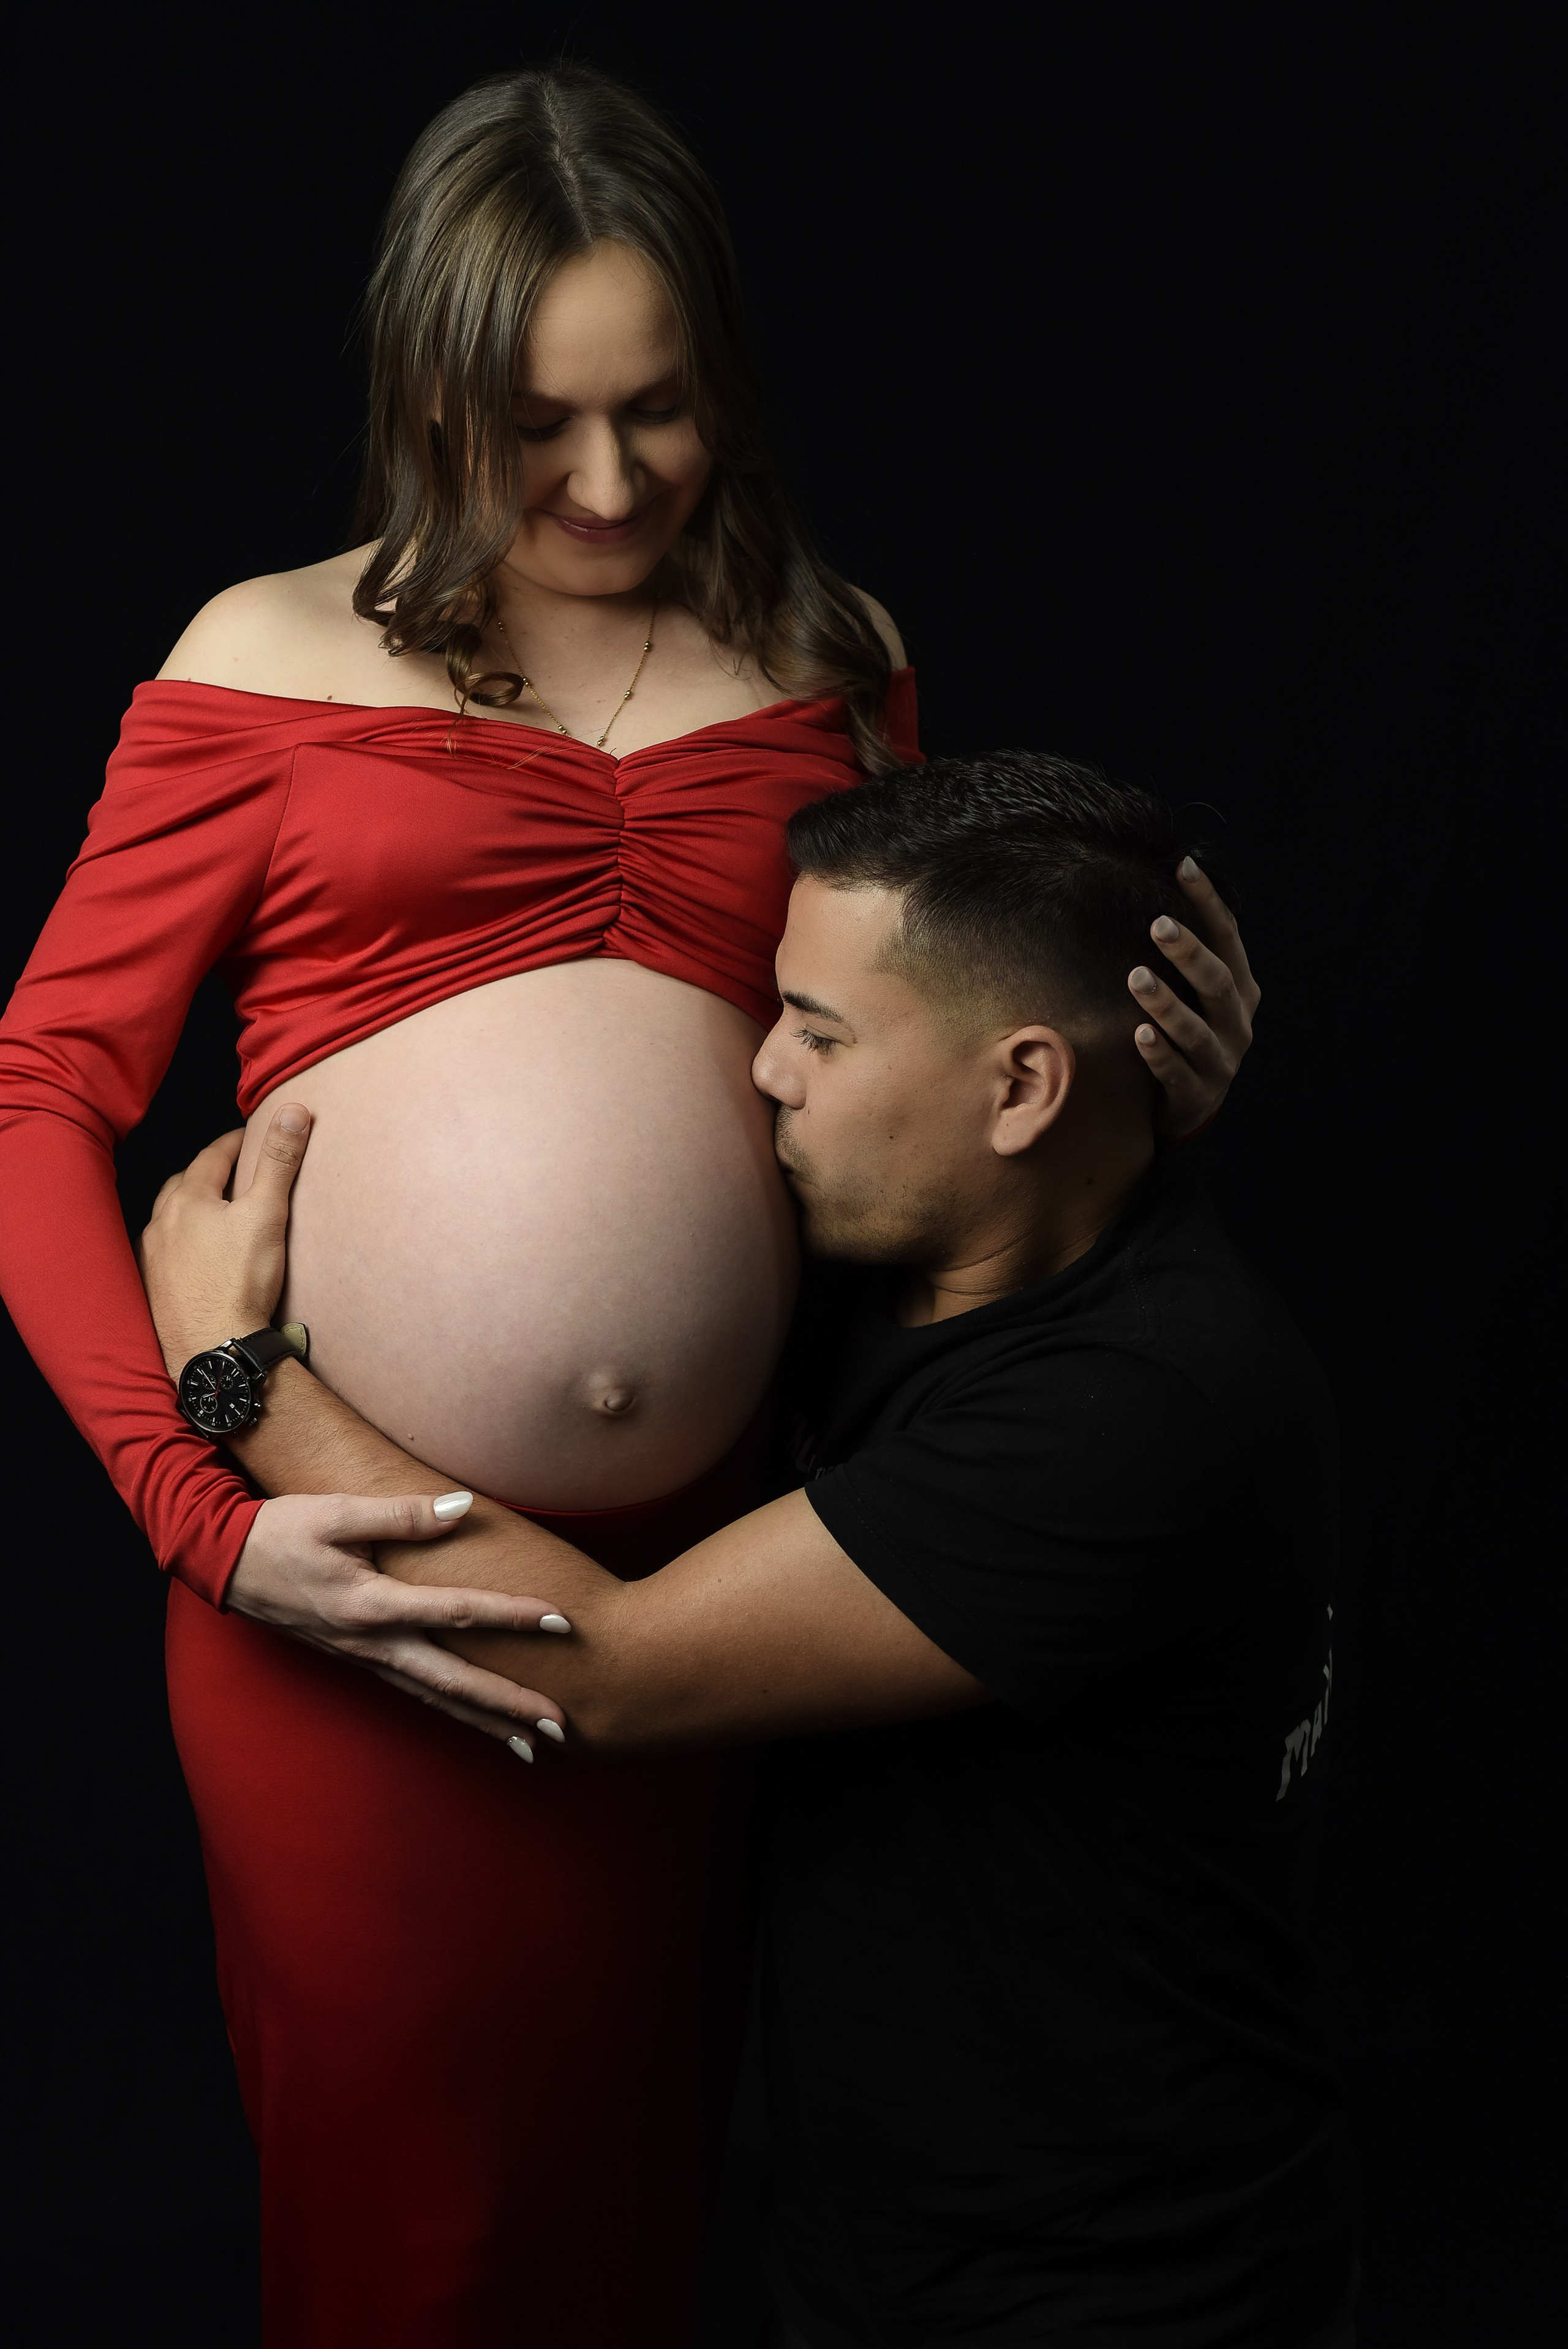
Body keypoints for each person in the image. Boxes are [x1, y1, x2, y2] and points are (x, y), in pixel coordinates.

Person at [0, 64, 1256, 2349]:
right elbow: (42, 1091)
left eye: (657, 409)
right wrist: (200, 1511)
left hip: (711, 1592)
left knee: (636, 2223)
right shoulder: (263, 655)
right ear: (427, 398)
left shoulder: (833, 657)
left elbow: (937, 1077)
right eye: (533, 425)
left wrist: (1151, 1088)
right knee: (410, 2252)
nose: (605, 482)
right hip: (342, 1588)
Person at [138, 752, 1352, 2349]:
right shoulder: (947, 1259)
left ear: (1019, 1091)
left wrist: (231, 1368)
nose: (763, 1070)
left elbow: (606, 1672)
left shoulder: (1137, 1413)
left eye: (818, 1033)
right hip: (890, 2236)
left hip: (1113, 2291)